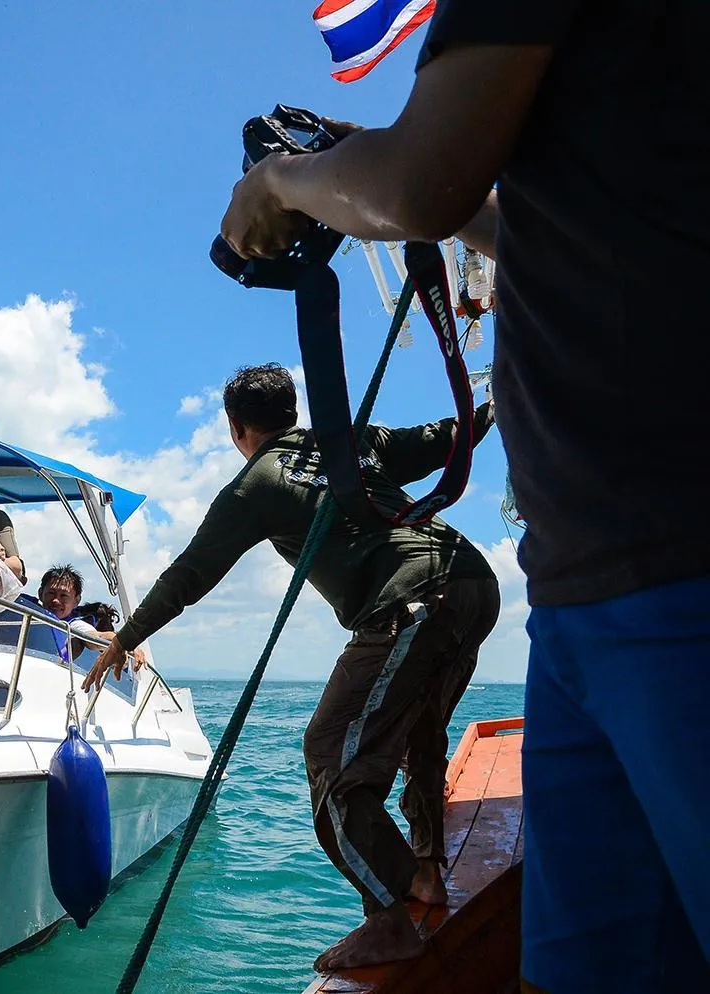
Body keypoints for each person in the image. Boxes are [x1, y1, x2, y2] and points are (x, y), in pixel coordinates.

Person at [218, 4, 710, 988]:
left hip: (673, 564)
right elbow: (520, 218)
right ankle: (422, 885)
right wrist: (367, 157)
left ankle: (404, 910)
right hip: (577, 594)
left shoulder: (266, 476)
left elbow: (423, 185)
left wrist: (286, 182)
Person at [84, 363, 499, 973]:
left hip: (409, 605)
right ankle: (427, 875)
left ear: (235, 427)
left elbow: (190, 573)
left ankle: (388, 918)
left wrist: (126, 636)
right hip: (471, 581)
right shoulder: (354, 442)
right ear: (290, 411)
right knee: (419, 733)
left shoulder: (254, 486)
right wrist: (504, 396)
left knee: (330, 752)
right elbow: (452, 437)